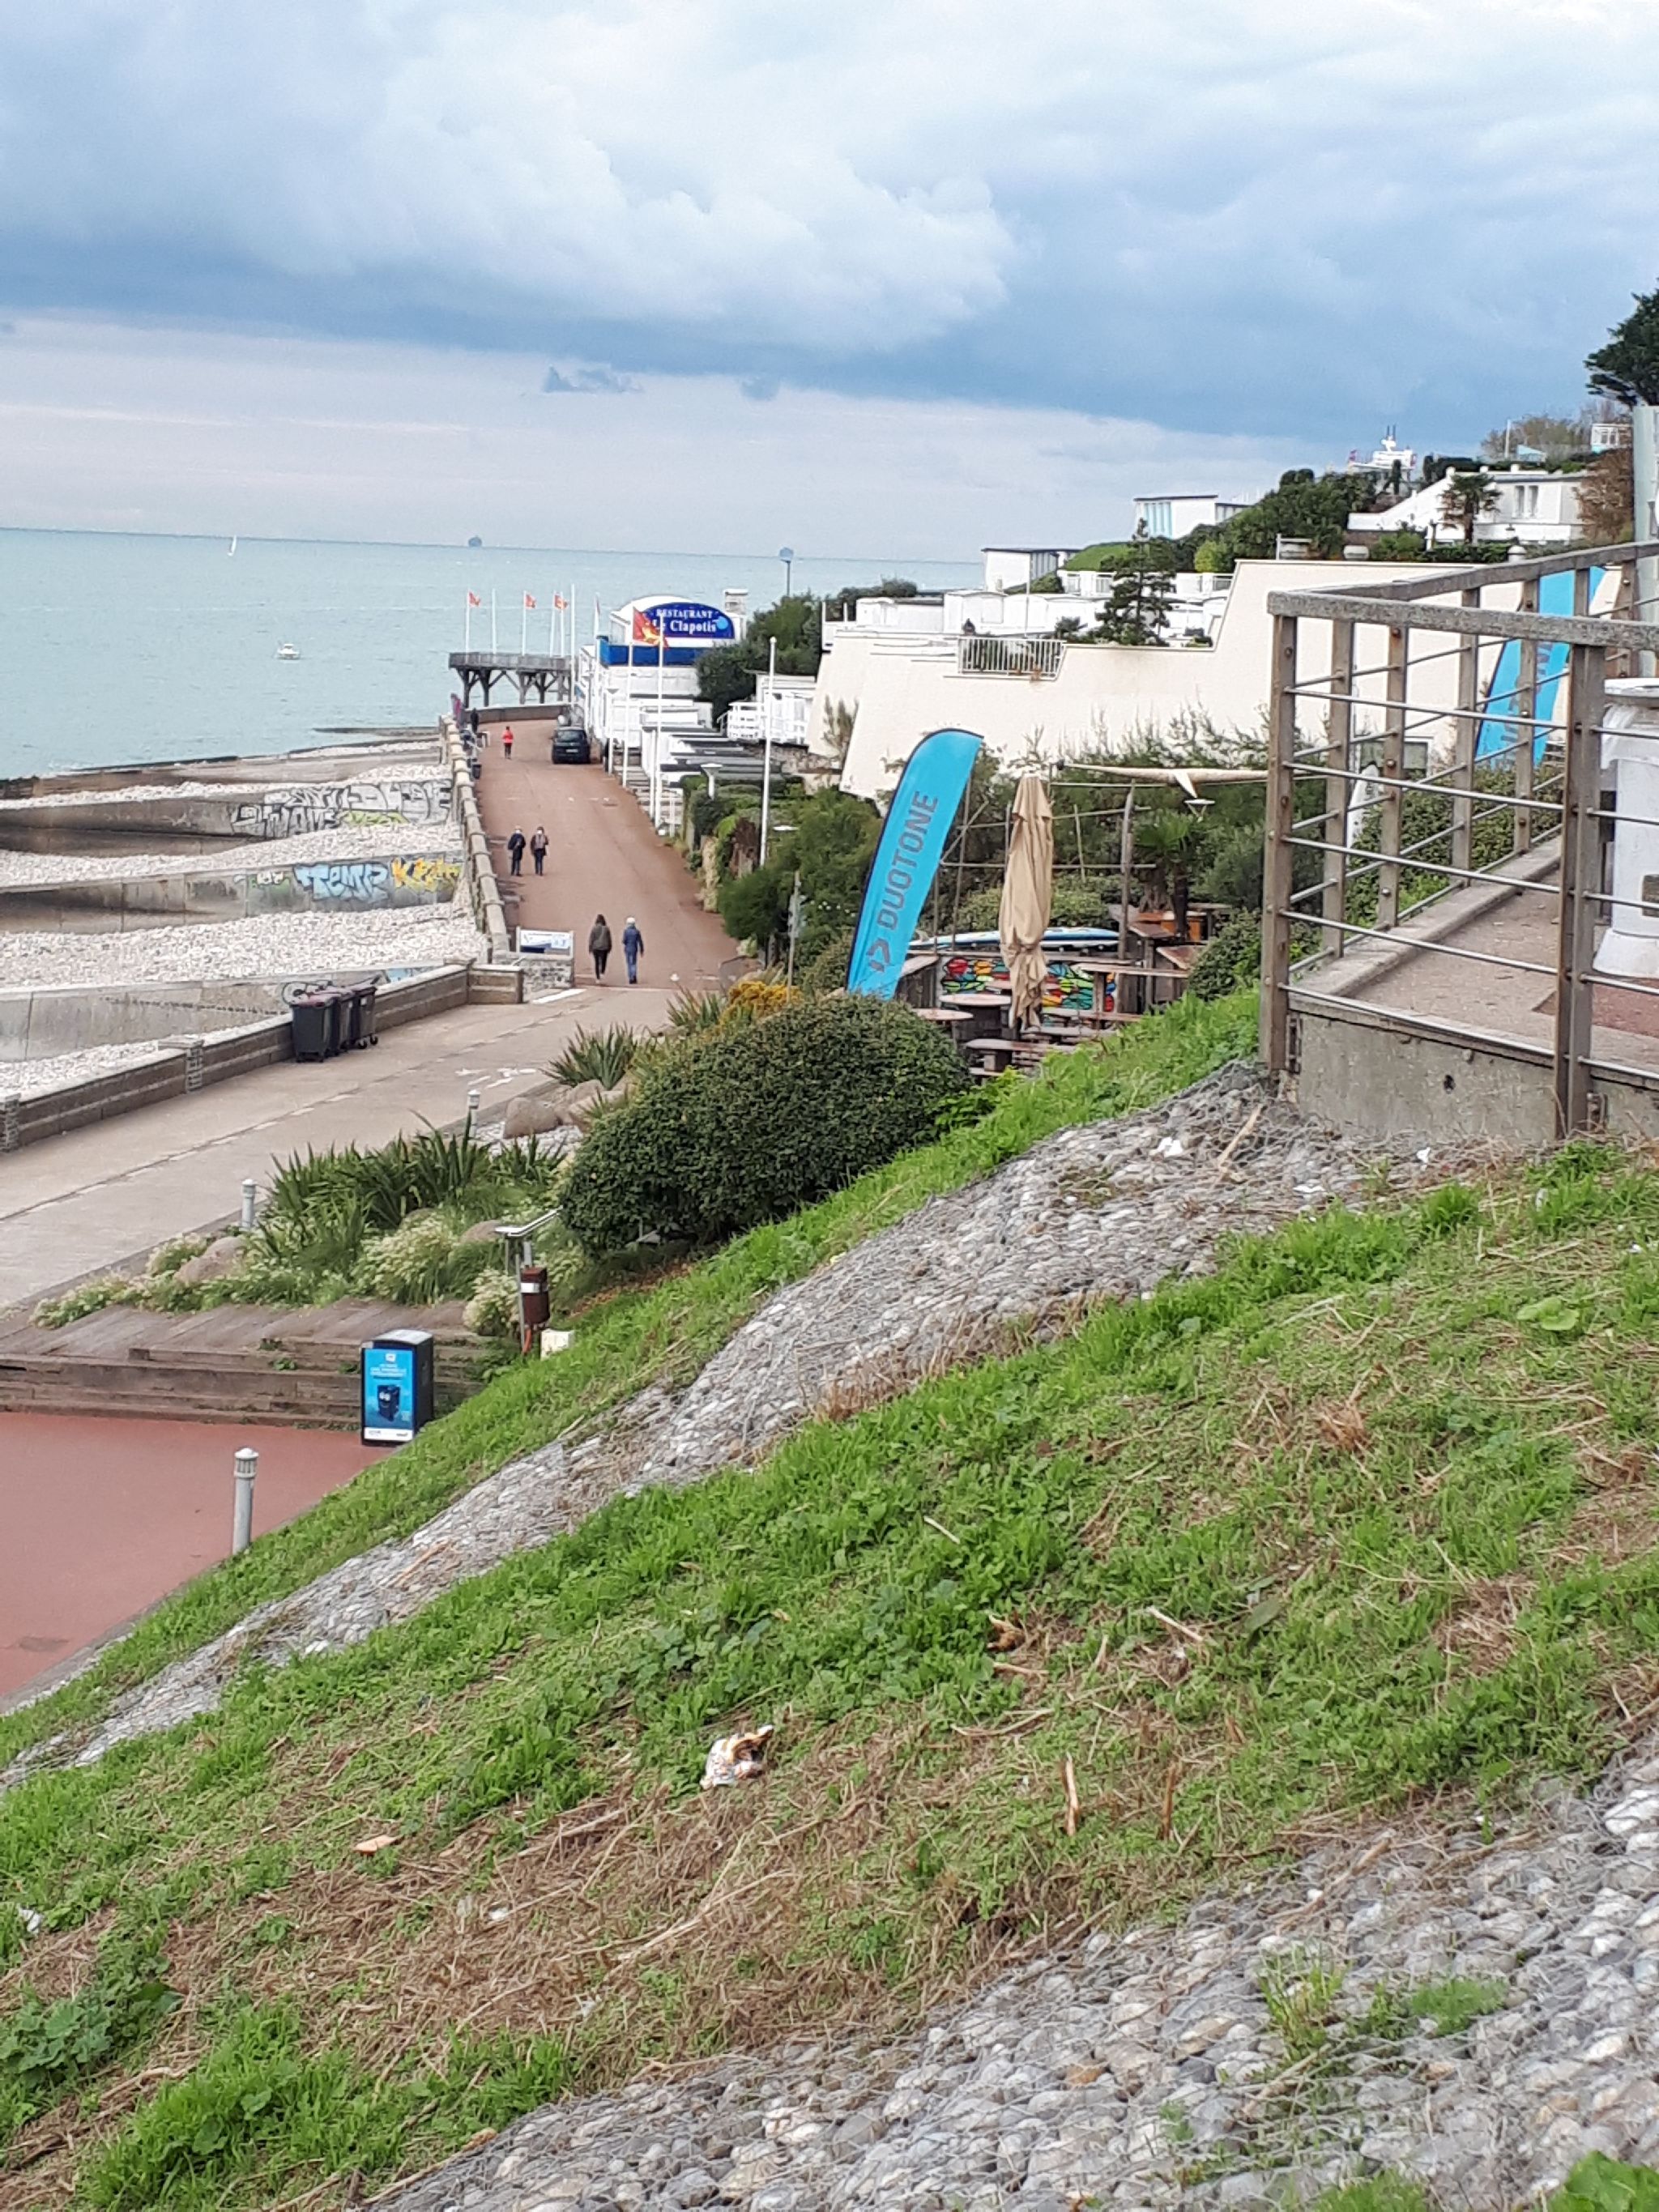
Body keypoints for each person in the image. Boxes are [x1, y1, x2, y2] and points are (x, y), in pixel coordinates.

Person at [589, 913, 612, 981]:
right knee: (604, 961)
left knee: (596, 962)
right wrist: (610, 946)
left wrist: (590, 947)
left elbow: (592, 938)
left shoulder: (594, 928)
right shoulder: (606, 928)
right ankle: (602, 972)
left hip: (595, 947)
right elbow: (609, 939)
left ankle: (598, 977)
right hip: (604, 947)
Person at [622, 914, 644, 985]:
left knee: (629, 963)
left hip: (628, 949)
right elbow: (640, 941)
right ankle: (634, 975)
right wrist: (642, 950)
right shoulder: (637, 931)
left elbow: (624, 941)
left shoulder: (626, 931)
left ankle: (631, 977)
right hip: (634, 948)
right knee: (634, 963)